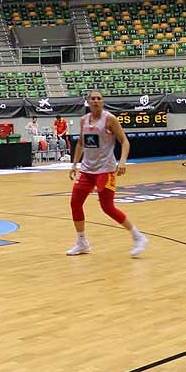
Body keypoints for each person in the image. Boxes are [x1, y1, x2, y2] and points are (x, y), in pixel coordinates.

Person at [66, 90, 147, 258]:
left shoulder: (110, 119)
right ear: (88, 102)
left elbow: (124, 141)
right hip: (87, 170)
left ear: (102, 102)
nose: (96, 101)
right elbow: (81, 143)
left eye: (99, 99)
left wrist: (122, 161)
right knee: (75, 203)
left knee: (107, 207)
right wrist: (74, 164)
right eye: (93, 99)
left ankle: (138, 237)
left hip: (105, 170)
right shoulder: (83, 120)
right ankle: (82, 242)